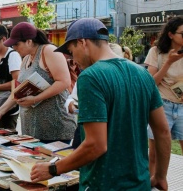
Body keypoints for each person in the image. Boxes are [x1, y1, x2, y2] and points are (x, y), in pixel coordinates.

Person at [31, 18, 171, 190]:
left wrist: (53, 169)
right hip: (139, 183)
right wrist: (160, 176)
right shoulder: (142, 74)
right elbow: (163, 131)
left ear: (82, 42)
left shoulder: (91, 77)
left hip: (103, 184)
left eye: (71, 51)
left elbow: (96, 145)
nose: (73, 60)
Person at [0, 22, 76, 142]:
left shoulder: (49, 51)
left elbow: (63, 81)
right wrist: (0, 111)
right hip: (31, 130)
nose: (14, 48)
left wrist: (36, 99)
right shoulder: (26, 58)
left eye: (16, 44)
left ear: (29, 41)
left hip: (55, 127)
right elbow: (18, 91)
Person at [144, 16, 183, 177]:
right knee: (154, 153)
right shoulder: (156, 52)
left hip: (181, 106)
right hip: (162, 106)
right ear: (171, 34)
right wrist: (168, 63)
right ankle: (151, 183)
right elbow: (150, 83)